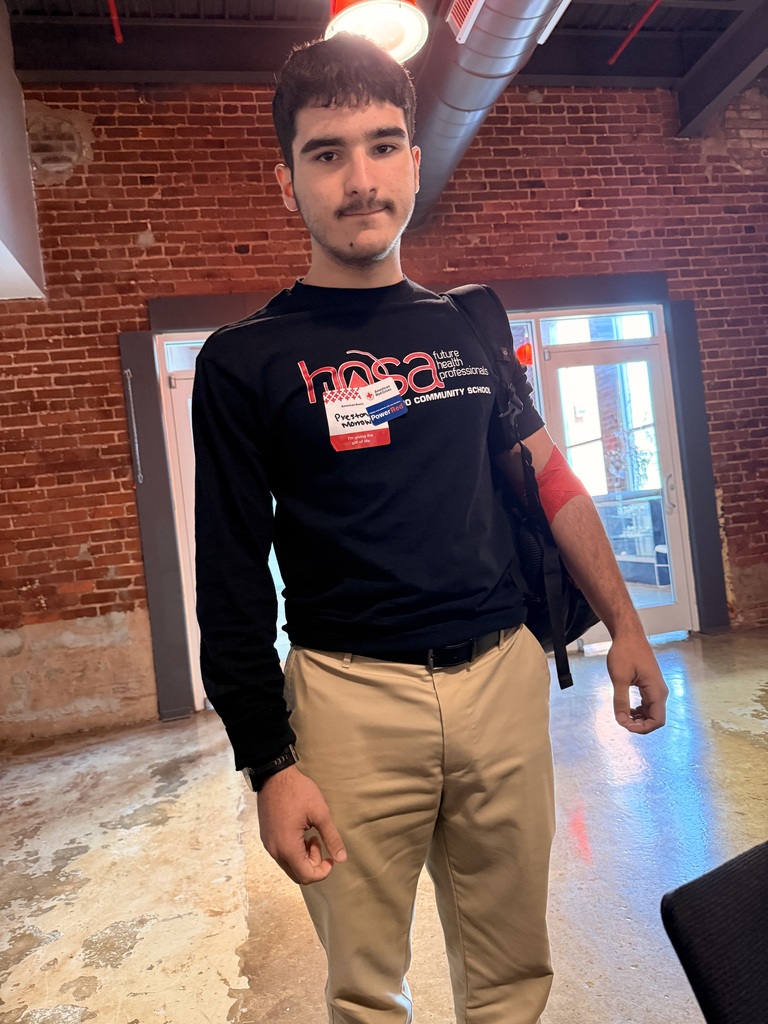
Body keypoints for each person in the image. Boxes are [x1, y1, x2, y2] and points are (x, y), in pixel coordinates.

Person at [192, 32, 668, 1024]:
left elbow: (552, 479)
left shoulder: (469, 325)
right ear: (289, 182)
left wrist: (625, 623)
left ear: (413, 161)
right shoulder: (246, 362)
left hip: (502, 679)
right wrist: (269, 765)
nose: (359, 178)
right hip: (347, 701)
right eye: (327, 153)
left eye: (381, 145)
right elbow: (231, 575)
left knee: (512, 979)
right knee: (368, 992)